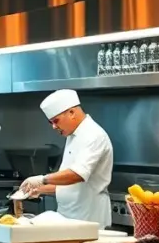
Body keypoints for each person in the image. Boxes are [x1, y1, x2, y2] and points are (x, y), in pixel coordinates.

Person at [20, 89, 114, 225]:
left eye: (56, 121)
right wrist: (38, 189)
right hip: (68, 217)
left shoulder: (93, 135)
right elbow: (71, 186)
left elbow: (77, 175)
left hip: (88, 218)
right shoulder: (72, 136)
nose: (54, 127)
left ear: (71, 113)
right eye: (51, 122)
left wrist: (42, 179)